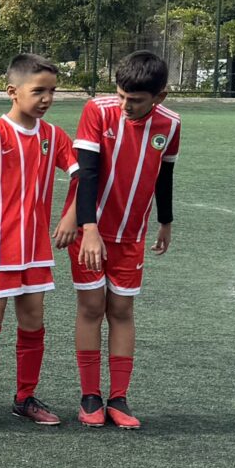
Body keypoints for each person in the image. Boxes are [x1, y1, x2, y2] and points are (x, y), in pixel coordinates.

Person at [0, 53, 74, 429]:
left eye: (52, 91)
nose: (47, 98)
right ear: (12, 91)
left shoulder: (54, 136)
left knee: (33, 320)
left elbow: (82, 173)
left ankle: (25, 398)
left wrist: (71, 215)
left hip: (36, 248)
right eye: (38, 91)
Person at [69, 49, 180, 429]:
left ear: (160, 97)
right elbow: (86, 173)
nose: (125, 105)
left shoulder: (171, 124)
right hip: (91, 231)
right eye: (120, 95)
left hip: (132, 235)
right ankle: (90, 396)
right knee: (91, 308)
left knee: (121, 310)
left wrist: (165, 221)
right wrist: (88, 229)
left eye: (135, 100)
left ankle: (118, 398)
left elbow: (165, 174)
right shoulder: (97, 111)